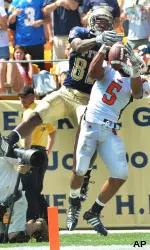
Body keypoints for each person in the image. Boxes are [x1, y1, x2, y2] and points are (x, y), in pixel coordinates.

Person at [0, 8, 122, 201]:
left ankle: (83, 174)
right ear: (90, 21)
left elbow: (116, 70)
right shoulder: (79, 32)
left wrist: (113, 50)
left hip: (88, 100)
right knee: (37, 112)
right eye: (98, 21)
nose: (101, 25)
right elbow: (78, 46)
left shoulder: (112, 45)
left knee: (87, 137)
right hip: (66, 93)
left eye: (105, 23)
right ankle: (9, 141)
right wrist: (98, 41)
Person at [65, 42, 144, 234]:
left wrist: (135, 70)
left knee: (121, 174)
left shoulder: (136, 78)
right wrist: (103, 48)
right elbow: (92, 73)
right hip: (91, 124)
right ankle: (74, 202)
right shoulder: (107, 70)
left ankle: (94, 211)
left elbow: (138, 93)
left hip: (110, 131)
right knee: (80, 169)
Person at [18, 86, 56, 232]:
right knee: (36, 190)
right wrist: (47, 150)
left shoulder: (29, 112)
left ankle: (33, 223)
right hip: (41, 153)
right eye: (20, 97)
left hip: (31, 153)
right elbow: (53, 133)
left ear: (32, 96)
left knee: (29, 190)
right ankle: (48, 222)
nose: (21, 99)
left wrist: (26, 154)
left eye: (24, 97)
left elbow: (27, 135)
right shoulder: (42, 112)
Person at [0, 156, 48, 243]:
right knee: (2, 238)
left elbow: (25, 160)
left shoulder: (3, 146)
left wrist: (25, 167)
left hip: (13, 200)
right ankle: (27, 226)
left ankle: (39, 225)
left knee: (15, 238)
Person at [7, 0, 53, 70]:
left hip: (36, 41)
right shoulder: (15, 2)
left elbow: (48, 19)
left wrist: (40, 22)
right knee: (19, 71)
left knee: (38, 71)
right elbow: (10, 21)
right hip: (21, 42)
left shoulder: (41, 1)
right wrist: (14, 14)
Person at [0, 0, 9, 93]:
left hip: (2, 44)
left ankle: (1, 87)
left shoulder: (2, 10)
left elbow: (5, 27)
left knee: (2, 64)